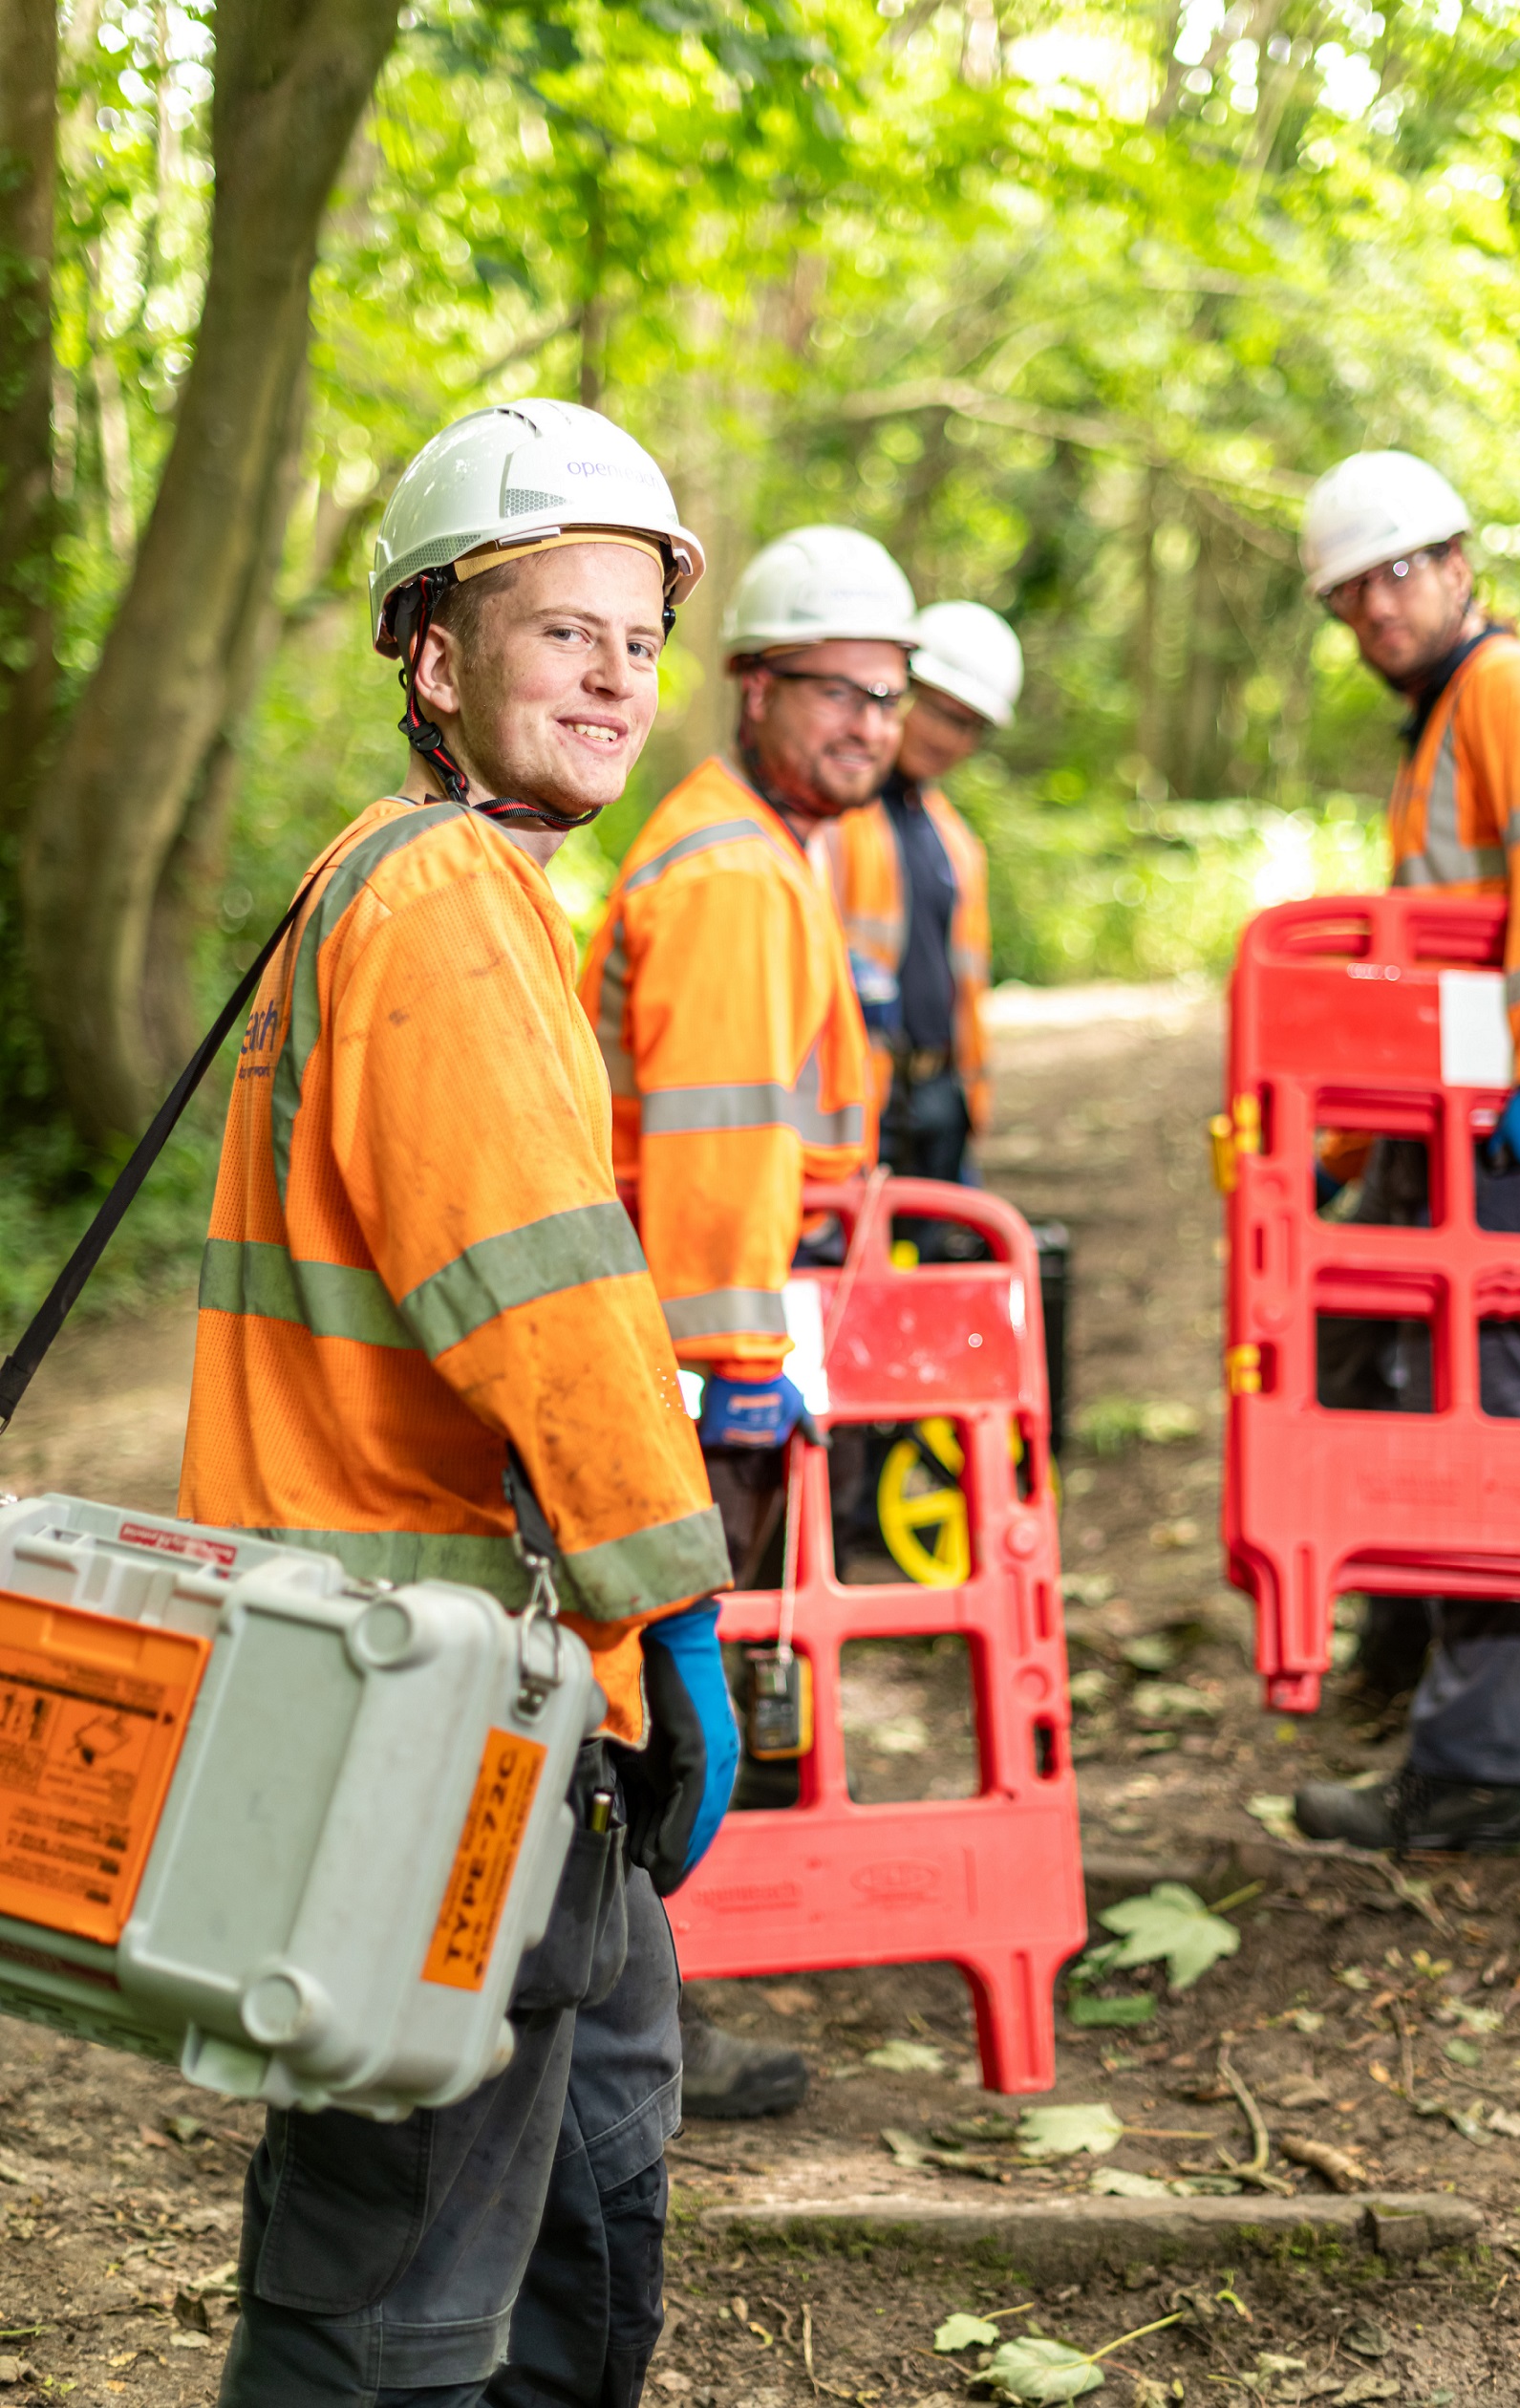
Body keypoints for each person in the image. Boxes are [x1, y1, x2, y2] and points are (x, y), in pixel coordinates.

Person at [178, 397, 739, 2406]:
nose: (613, 679)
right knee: (398, 2284)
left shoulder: (424, 888)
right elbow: (545, 1309)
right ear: (434, 660)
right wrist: (676, 1607)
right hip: (419, 1705)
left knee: (586, 2175)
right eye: (560, 631)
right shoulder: (437, 903)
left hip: (470, 1684)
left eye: (637, 639)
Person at [578, 524, 911, 2113]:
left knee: (663, 1693)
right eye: (837, 690)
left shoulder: (762, 847)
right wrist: (735, 1365)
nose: (868, 724)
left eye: (888, 697)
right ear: (755, 688)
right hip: (682, 1345)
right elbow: (714, 1145)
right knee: (661, 1704)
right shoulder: (729, 871)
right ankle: (631, 2025)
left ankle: (633, 2010)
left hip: (685, 1330)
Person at [1290, 448, 1520, 1854]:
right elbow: (1417, 975)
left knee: (1478, 1413)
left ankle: (1473, 1772)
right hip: (1443, 1121)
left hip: (1510, 1121)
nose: (1376, 608)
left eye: (1398, 574)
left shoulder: (1513, 693)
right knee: (1389, 1372)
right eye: (1349, 594)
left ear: (1459, 566)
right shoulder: (1442, 721)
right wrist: (1353, 1142)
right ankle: (1409, 1664)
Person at [817, 598, 1018, 1184]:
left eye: (968, 725)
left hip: (939, 1098)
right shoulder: (833, 819)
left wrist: (967, 1096)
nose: (946, 736)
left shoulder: (955, 840)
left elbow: (966, 984)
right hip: (858, 1098)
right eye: (936, 711)